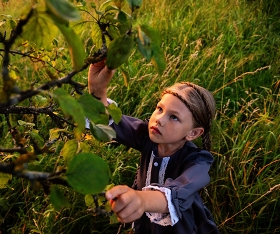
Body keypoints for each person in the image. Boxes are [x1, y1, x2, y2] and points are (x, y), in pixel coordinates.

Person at [87, 60, 219, 234]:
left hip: (179, 226)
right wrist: (97, 90)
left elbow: (179, 191)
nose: (159, 119)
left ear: (193, 133)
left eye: (174, 117)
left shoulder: (198, 160)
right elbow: (110, 123)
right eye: (159, 108)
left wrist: (142, 200)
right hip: (145, 220)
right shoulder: (146, 136)